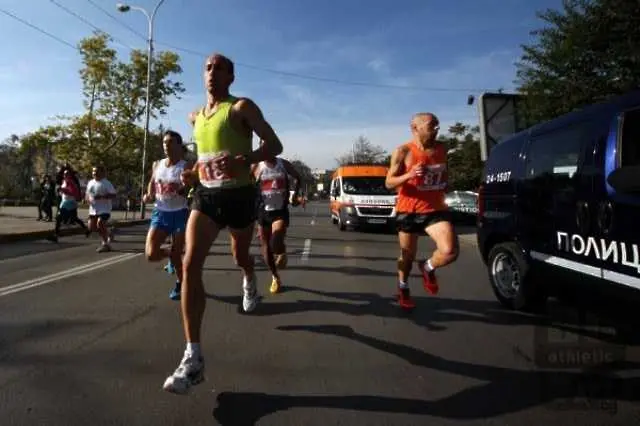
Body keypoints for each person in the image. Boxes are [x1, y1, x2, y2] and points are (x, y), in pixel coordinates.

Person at [162, 53, 283, 395]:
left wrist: (245, 159)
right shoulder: (195, 116)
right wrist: (192, 172)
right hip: (207, 197)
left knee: (240, 256)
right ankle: (193, 356)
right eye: (208, 68)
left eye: (220, 68)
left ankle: (249, 277)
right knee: (188, 263)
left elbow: (274, 145)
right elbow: (203, 158)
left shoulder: (241, 108)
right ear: (203, 76)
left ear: (231, 77)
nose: (212, 73)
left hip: (241, 196)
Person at [385, 112, 459, 310]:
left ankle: (427, 267)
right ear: (415, 128)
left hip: (434, 209)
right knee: (407, 257)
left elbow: (443, 172)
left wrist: (444, 184)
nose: (436, 129)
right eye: (431, 125)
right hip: (409, 210)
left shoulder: (443, 148)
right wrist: (409, 175)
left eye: (437, 125)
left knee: (450, 251)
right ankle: (403, 287)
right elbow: (389, 182)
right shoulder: (403, 151)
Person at [143, 130, 193, 301]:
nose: (166, 145)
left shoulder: (186, 166)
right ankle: (171, 256)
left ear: (180, 146)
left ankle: (181, 283)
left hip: (180, 213)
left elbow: (192, 189)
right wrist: (149, 194)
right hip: (160, 213)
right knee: (151, 254)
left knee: (177, 253)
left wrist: (183, 189)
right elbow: (151, 183)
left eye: (171, 142)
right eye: (164, 142)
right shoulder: (157, 164)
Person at [251, 146, 302, 293]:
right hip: (262, 211)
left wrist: (294, 196)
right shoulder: (256, 166)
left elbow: (298, 177)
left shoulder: (283, 164)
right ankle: (275, 277)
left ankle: (282, 251)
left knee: (276, 242)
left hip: (280, 210)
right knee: (266, 248)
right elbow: (247, 184)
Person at [47, 166, 89, 242]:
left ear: (70, 175)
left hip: (69, 202)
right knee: (74, 218)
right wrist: (60, 192)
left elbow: (73, 192)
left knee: (59, 218)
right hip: (65, 201)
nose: (65, 175)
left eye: (67, 174)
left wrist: (62, 189)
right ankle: (86, 229)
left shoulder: (71, 182)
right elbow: (63, 192)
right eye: (64, 174)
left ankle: (55, 236)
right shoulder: (64, 181)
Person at [85, 165, 117, 252]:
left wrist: (102, 197)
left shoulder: (106, 183)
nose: (94, 173)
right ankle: (109, 232)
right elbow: (88, 194)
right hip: (93, 209)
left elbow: (114, 195)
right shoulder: (90, 182)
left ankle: (105, 244)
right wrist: (86, 199)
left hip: (104, 209)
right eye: (93, 171)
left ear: (102, 173)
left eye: (97, 171)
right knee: (92, 228)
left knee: (100, 223)